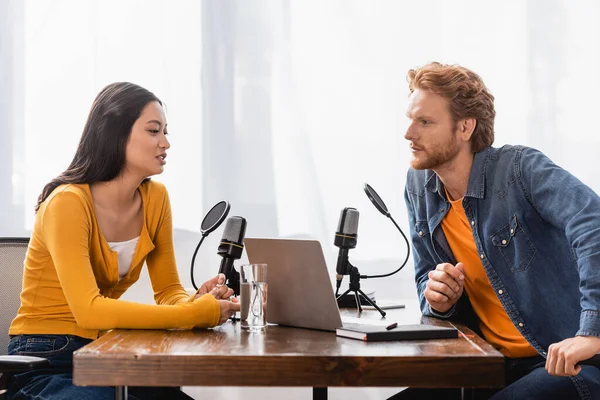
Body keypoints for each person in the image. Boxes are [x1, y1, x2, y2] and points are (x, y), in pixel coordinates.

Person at [7, 82, 240, 399]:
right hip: (46, 356)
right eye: (154, 131)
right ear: (116, 134)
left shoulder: (156, 198)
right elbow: (89, 311)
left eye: (165, 131)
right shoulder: (67, 203)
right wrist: (197, 314)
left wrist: (197, 302)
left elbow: (169, 291)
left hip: (107, 352)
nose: (166, 143)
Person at [398, 62, 600, 400]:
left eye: (425, 122)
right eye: (410, 119)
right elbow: (425, 281)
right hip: (487, 365)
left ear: (465, 127)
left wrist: (592, 331)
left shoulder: (521, 169)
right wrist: (439, 298)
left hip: (565, 365)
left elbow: (592, 223)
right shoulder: (419, 186)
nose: (408, 134)